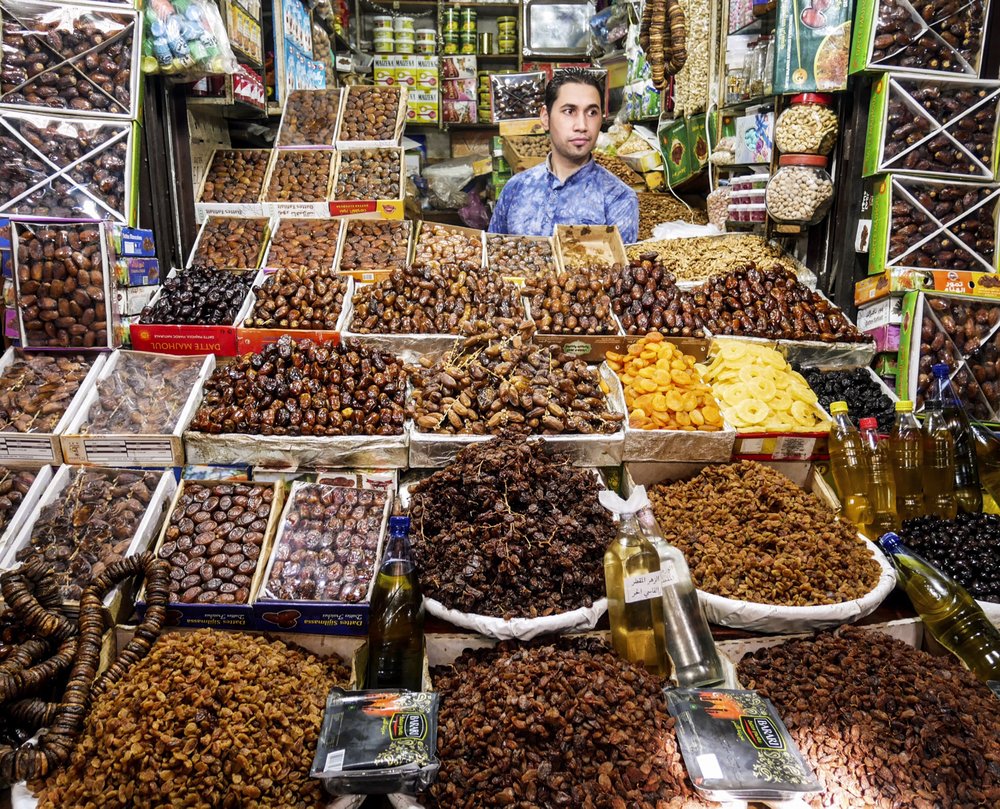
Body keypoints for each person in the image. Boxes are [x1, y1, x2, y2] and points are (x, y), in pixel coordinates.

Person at [488, 69, 639, 244]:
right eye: (569, 111)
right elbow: (493, 255)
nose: (582, 125)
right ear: (545, 118)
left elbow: (620, 269)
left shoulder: (618, 198)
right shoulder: (516, 188)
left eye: (592, 113)